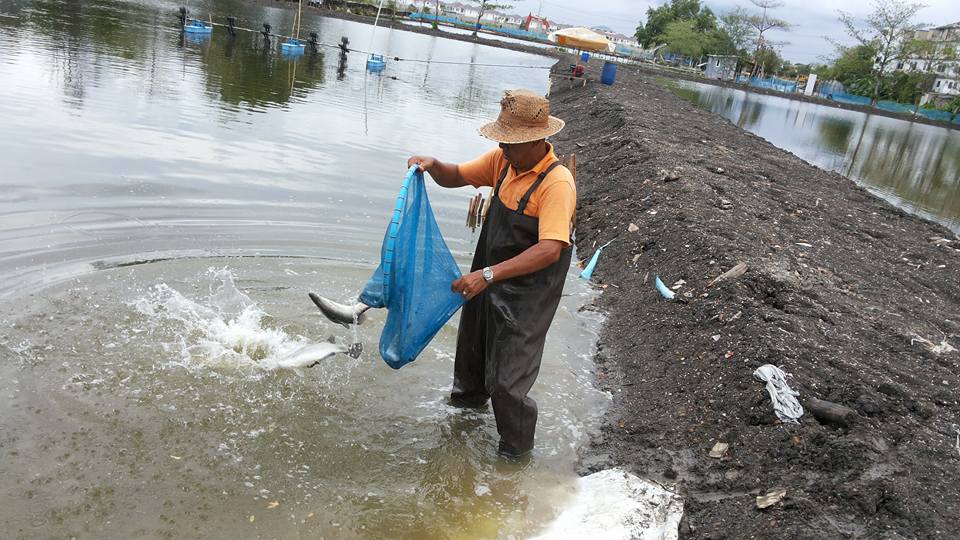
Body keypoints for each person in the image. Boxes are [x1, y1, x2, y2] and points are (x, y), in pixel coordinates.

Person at [407, 89, 576, 458]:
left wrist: (486, 275)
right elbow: (456, 176)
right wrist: (433, 164)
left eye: (510, 141)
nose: (503, 145)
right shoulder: (503, 163)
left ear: (536, 140)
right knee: (470, 360)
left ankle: (514, 462)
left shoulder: (557, 183)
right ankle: (460, 429)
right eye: (501, 138)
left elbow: (550, 249)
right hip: (488, 280)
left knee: (507, 384)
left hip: (528, 294)